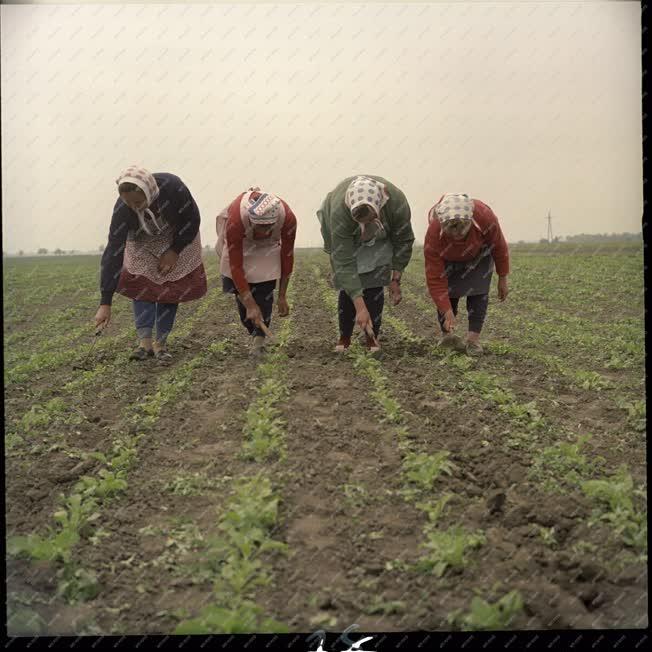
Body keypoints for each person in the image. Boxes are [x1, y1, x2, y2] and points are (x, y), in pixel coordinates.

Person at [94, 166, 207, 362]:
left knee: (169, 286)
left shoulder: (173, 188)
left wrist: (174, 250)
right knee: (142, 284)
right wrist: (105, 302)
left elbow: (192, 219)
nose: (133, 207)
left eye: (138, 201)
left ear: (150, 192)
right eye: (128, 203)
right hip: (143, 239)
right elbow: (114, 250)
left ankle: (160, 343)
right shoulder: (123, 209)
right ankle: (144, 344)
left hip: (177, 235)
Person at [317, 175, 415, 353]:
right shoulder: (339, 212)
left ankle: (372, 337)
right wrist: (360, 308)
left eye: (369, 219)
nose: (365, 224)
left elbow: (404, 240)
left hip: (380, 237)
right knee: (347, 286)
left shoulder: (396, 203)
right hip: (344, 236)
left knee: (375, 281)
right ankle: (344, 337)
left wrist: (395, 278)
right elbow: (344, 262)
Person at [424, 193, 510, 356]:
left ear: (470, 221)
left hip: (479, 254)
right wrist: (446, 309)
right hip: (448, 257)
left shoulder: (485, 216)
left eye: (462, 229)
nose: (457, 235)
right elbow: (435, 277)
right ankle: (448, 336)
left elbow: (499, 247)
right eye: (451, 230)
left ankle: (473, 340)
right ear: (442, 225)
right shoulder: (434, 233)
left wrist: (502, 277)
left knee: (478, 293)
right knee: (449, 295)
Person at [216, 187, 297, 355]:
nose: (264, 232)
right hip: (240, 245)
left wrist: (282, 296)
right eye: (259, 227)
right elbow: (236, 267)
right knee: (244, 304)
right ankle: (253, 329)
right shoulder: (236, 221)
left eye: (268, 227)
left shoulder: (288, 218)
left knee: (265, 295)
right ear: (250, 220)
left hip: (268, 249)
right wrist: (250, 305)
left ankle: (259, 341)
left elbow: (287, 258)